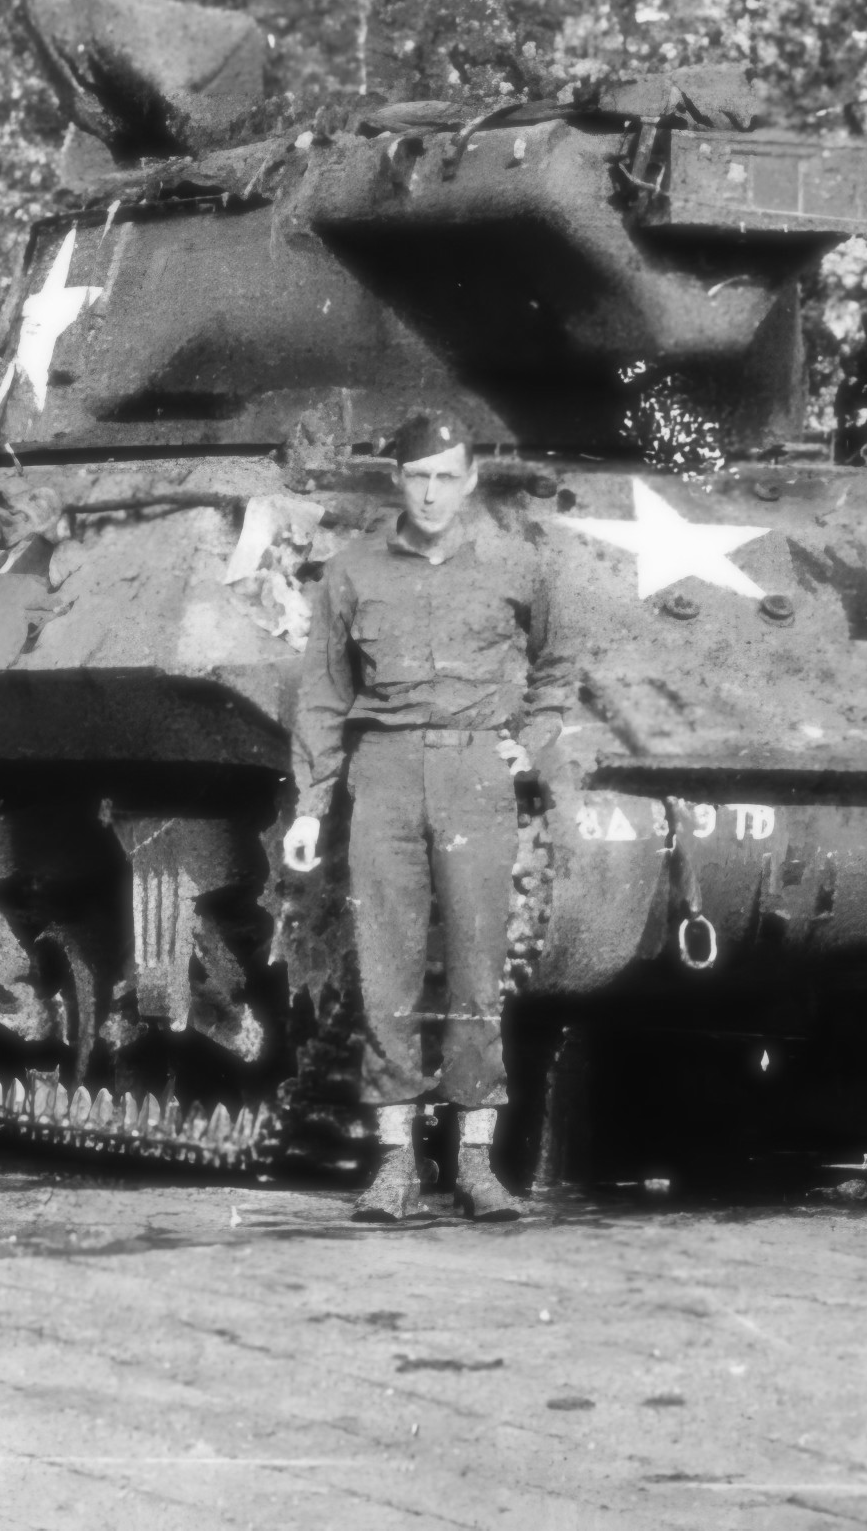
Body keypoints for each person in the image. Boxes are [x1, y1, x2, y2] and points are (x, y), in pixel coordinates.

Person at [283, 412, 573, 1221]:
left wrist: (535, 740)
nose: (434, 491)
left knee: (482, 965)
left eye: (449, 476)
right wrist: (311, 804)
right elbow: (324, 694)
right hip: (382, 774)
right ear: (398, 481)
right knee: (388, 968)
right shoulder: (352, 571)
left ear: (471, 479)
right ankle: (394, 1164)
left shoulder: (519, 566)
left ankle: (477, 1163)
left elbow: (558, 665)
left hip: (476, 769)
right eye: (420, 476)